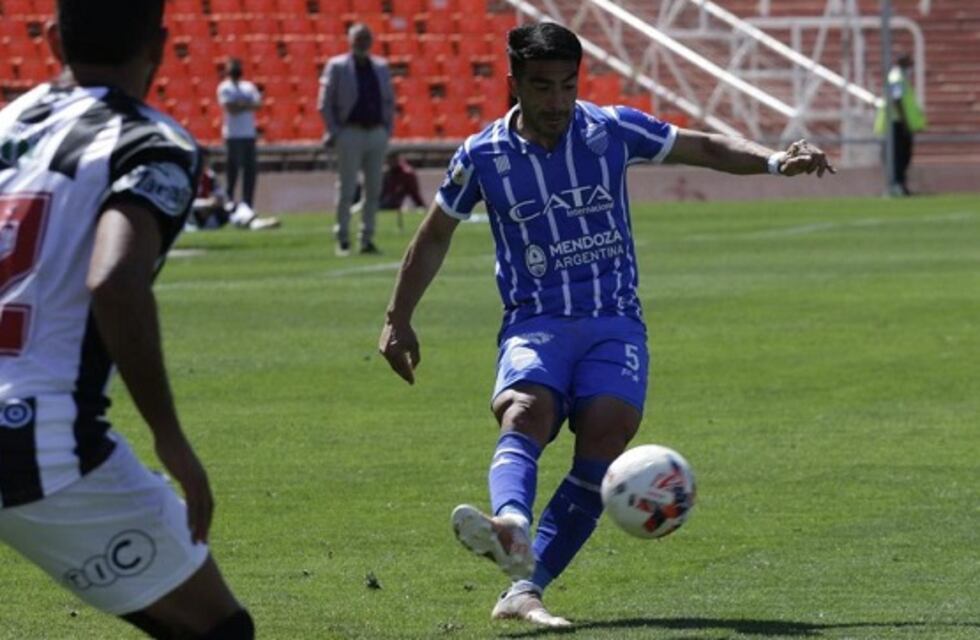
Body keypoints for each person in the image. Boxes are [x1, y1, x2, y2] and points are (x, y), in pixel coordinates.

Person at [378, 22, 834, 628]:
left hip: (614, 321)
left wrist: (775, 161)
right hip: (535, 322)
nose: (557, 101)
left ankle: (525, 588)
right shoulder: (482, 156)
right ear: (514, 83)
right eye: (542, 87)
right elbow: (436, 233)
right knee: (524, 412)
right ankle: (510, 521)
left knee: (607, 431)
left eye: (567, 85)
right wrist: (397, 318)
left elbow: (701, 146)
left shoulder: (610, 130)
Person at [0, 1, 253, 637]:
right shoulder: (152, 141)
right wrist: (168, 434)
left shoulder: (6, 124)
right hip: (34, 434)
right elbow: (114, 278)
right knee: (216, 628)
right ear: (160, 46)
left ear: (54, 39)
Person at [318, 23, 395, 256]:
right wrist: (335, 131)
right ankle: (342, 237)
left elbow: (389, 101)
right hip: (349, 132)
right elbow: (324, 102)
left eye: (366, 38)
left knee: (373, 189)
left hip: (375, 132)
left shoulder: (380, 67)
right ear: (350, 41)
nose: (362, 43)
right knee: (347, 188)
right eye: (358, 38)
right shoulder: (338, 66)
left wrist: (386, 130)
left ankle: (366, 238)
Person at [875, 53, 926, 196]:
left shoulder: (900, 77)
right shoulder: (896, 77)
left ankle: (900, 184)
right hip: (896, 123)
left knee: (904, 156)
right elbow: (897, 100)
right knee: (898, 156)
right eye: (910, 63)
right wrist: (905, 122)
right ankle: (896, 185)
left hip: (900, 123)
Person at [189, 154, 280, 231]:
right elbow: (183, 203)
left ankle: (255, 223)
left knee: (233, 206)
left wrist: (214, 202)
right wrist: (205, 204)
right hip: (192, 219)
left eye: (205, 162)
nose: (204, 165)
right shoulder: (188, 178)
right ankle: (249, 222)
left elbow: (220, 197)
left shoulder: (210, 177)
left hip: (211, 217)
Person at [217, 58, 261, 208]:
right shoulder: (224, 87)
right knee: (233, 170)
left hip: (249, 134)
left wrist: (240, 105)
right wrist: (246, 105)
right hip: (233, 135)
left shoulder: (248, 86)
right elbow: (231, 109)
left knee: (250, 171)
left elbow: (258, 104)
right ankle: (229, 201)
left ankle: (247, 203)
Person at [352, 153, 426, 231]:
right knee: (359, 208)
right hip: (376, 203)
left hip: (390, 205)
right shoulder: (384, 172)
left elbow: (414, 194)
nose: (390, 161)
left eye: (393, 158)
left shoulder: (406, 174)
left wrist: (421, 206)